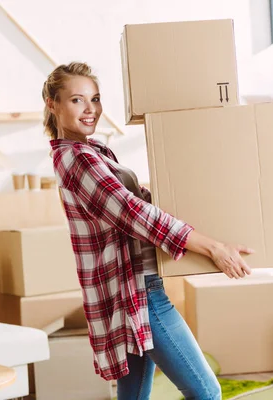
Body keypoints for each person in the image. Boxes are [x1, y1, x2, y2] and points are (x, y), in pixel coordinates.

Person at [43, 62, 254, 400]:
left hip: (132, 289)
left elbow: (138, 201)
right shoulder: (77, 159)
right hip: (137, 293)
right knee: (206, 392)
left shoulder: (93, 152)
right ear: (52, 104)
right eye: (77, 100)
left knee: (134, 396)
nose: (90, 109)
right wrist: (213, 247)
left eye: (95, 99)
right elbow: (133, 213)